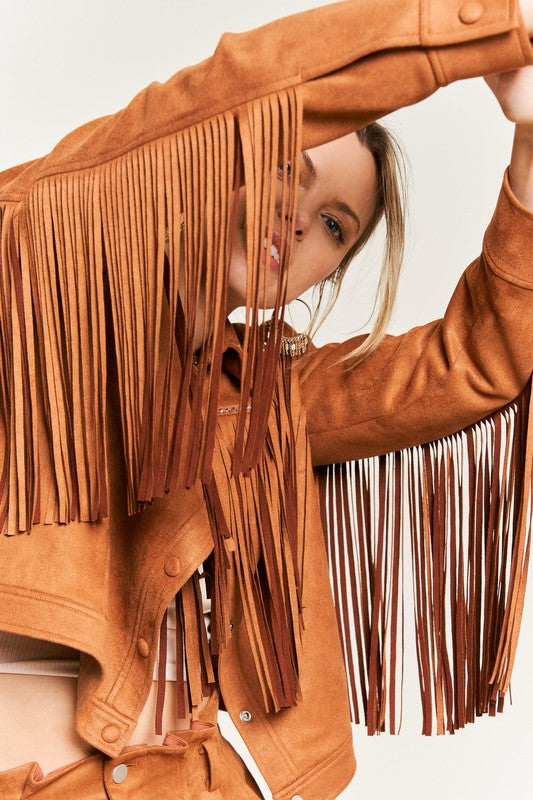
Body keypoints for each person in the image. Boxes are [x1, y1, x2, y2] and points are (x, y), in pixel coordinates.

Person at [0, 1, 532, 798]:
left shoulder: (266, 398)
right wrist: (484, 23)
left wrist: (530, 141)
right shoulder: (41, 241)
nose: (298, 219)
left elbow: (474, 364)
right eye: (289, 165)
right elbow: (230, 88)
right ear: (226, 143)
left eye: (333, 224)